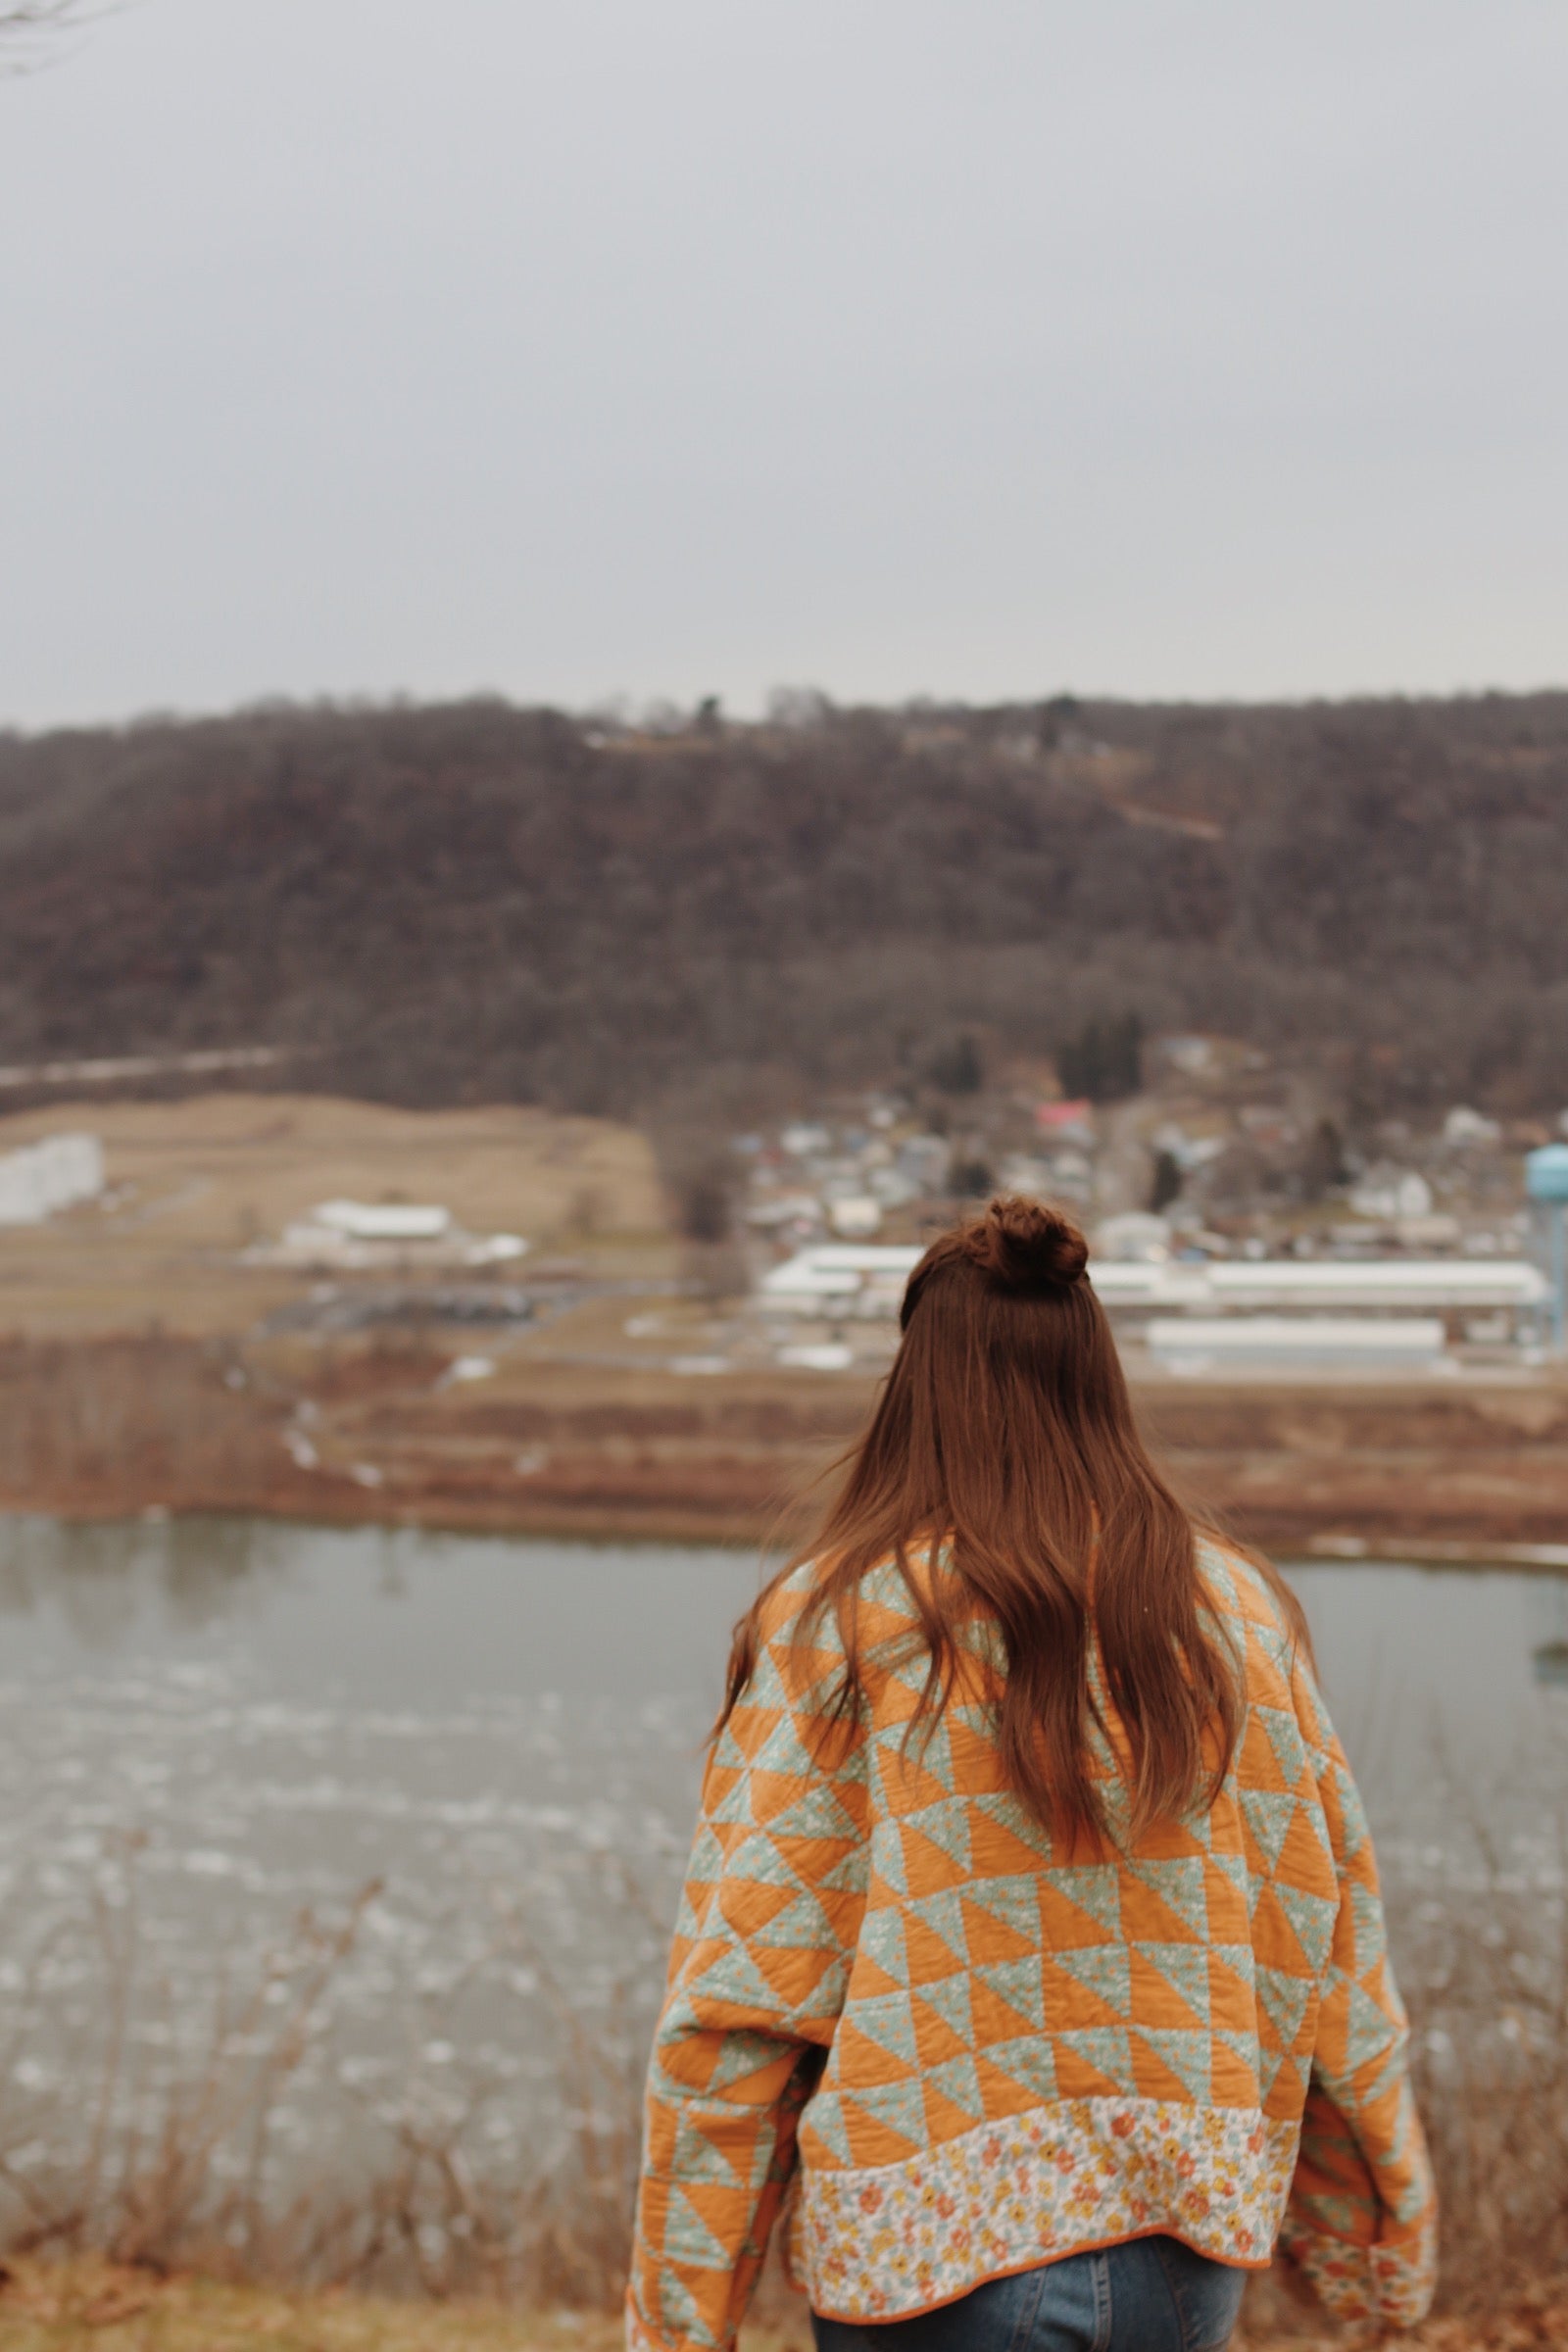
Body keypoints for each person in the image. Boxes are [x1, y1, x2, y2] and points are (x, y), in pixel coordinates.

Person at [626, 1199, 1436, 2352]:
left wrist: (678, 2321)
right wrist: (1372, 2264)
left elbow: (738, 2006)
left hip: (924, 2262)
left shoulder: (843, 1625)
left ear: (915, 1393)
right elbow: (1331, 1954)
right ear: (1096, 1379)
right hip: (1179, 2256)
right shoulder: (1232, 1617)